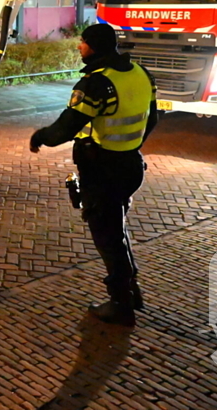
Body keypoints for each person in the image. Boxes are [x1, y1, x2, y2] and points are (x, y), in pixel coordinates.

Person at [29, 23, 158, 326]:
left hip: (103, 171)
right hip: (131, 164)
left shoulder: (97, 83)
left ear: (94, 46)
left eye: (83, 42)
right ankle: (131, 290)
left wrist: (41, 137)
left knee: (107, 237)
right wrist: (131, 145)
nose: (79, 47)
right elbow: (153, 117)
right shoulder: (140, 73)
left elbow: (66, 127)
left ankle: (120, 304)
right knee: (117, 229)